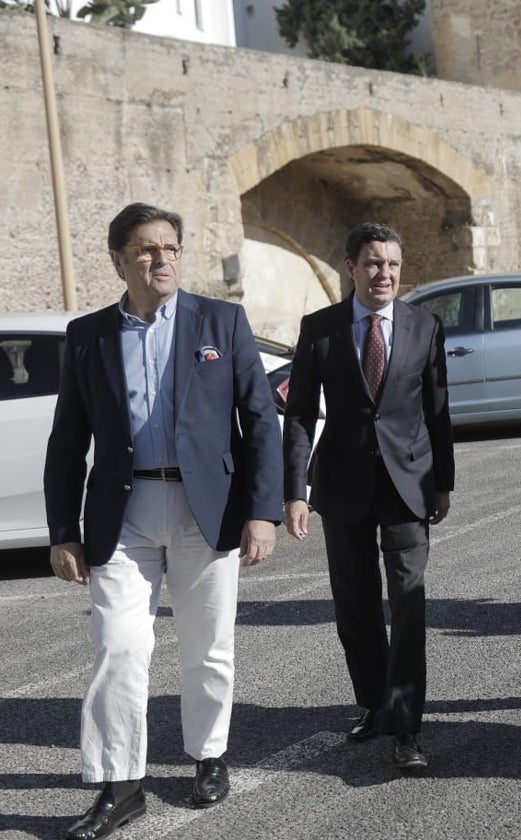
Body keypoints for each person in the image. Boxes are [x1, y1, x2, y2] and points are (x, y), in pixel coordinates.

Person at [44, 202, 283, 839]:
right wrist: (62, 530)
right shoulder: (88, 335)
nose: (163, 259)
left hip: (207, 510)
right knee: (118, 648)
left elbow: (260, 420)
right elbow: (69, 440)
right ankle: (121, 787)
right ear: (119, 259)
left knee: (209, 648)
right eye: (148, 250)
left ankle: (209, 754)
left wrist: (263, 511)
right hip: (123, 514)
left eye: (172, 248)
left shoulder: (221, 320)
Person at [283, 222, 453, 771]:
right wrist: (296, 491)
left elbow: (438, 412)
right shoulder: (321, 329)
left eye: (394, 265)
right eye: (374, 263)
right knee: (355, 607)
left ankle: (406, 725)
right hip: (342, 485)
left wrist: (443, 481)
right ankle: (376, 704)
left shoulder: (425, 326)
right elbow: (301, 414)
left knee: (408, 603)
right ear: (351, 268)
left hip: (408, 485)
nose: (385, 274)